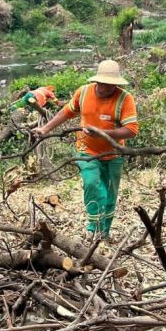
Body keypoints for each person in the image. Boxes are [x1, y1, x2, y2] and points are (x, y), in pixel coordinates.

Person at [33, 60, 138, 241]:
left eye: (112, 85)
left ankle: (104, 233)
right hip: (86, 150)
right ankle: (92, 227)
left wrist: (104, 133)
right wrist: (45, 129)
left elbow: (131, 130)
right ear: (97, 82)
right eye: (105, 84)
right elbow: (66, 112)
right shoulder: (84, 92)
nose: (108, 88)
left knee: (109, 194)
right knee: (92, 184)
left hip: (113, 154)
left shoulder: (124, 98)